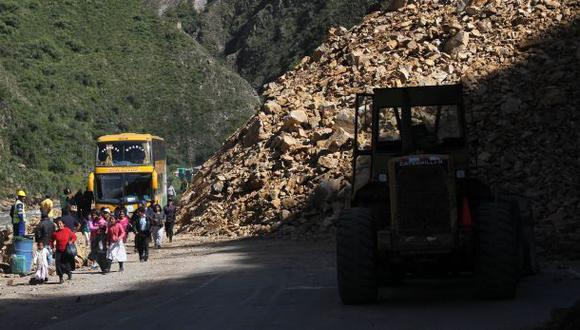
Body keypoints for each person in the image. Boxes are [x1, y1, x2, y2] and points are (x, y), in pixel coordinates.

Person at [51, 218, 76, 284]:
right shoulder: (55, 233)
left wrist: (71, 241)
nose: (59, 225)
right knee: (58, 264)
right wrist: (52, 247)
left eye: (60, 223)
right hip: (58, 250)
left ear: (63, 224)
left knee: (66, 264)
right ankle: (61, 278)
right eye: (58, 224)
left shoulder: (67, 230)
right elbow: (51, 241)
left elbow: (74, 237)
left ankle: (69, 273)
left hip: (66, 250)